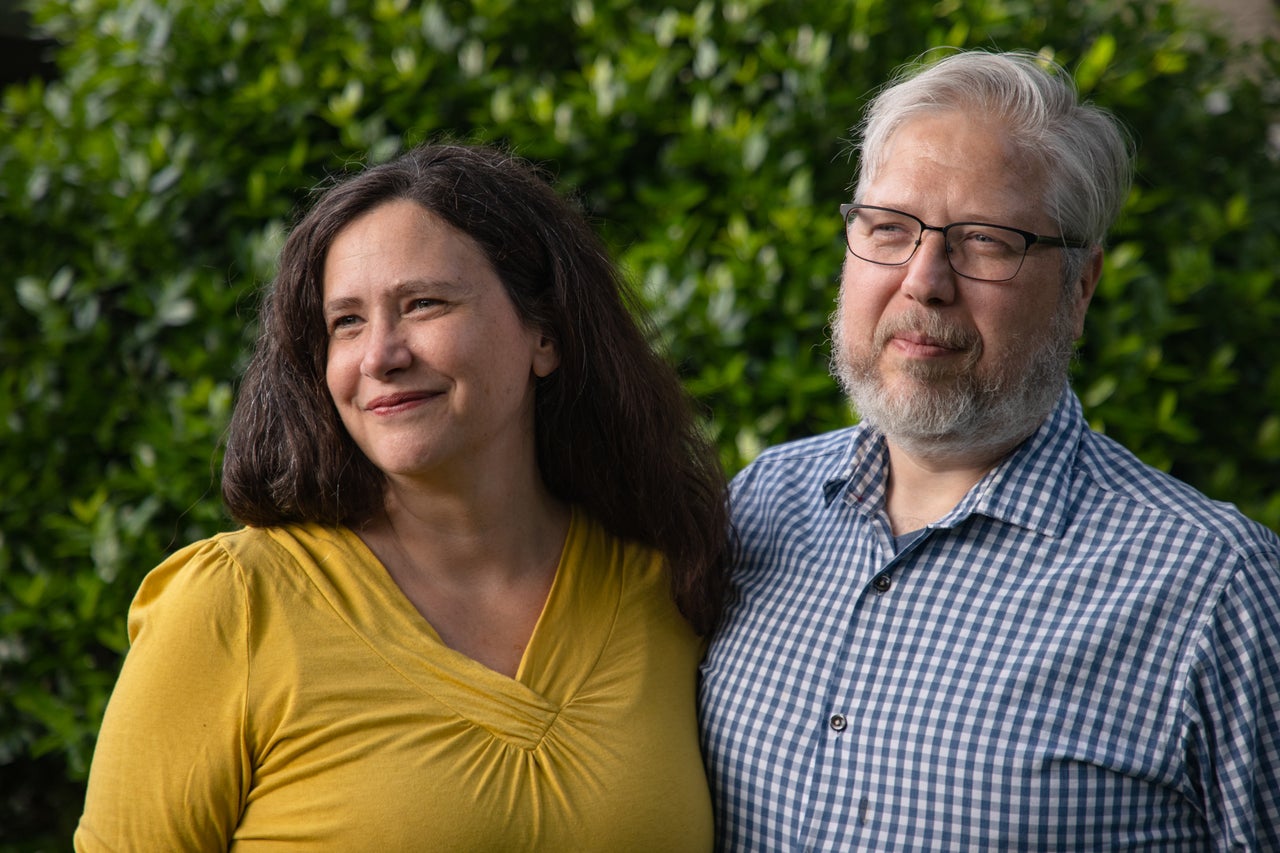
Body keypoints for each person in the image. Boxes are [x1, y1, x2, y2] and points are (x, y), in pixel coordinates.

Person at [699, 49, 1280, 850]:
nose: (924, 280)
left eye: (985, 241)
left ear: (1081, 288)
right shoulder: (763, 502)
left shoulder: (1216, 588)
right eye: (888, 229)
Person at [75, 143, 729, 850]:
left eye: (422, 304)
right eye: (346, 322)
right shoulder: (232, 607)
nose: (381, 355)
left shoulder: (665, 585)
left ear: (545, 333)